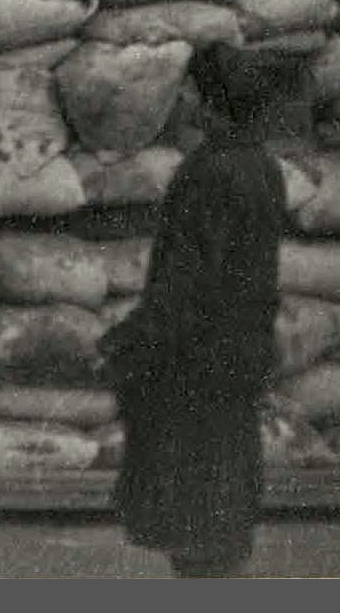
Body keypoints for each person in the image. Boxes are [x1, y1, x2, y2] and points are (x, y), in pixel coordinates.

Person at [101, 45, 286, 578]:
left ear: (208, 102)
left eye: (187, 88)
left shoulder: (206, 173)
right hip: (242, 351)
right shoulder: (263, 166)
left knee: (194, 514)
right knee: (224, 511)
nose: (179, 98)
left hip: (197, 360)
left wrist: (129, 342)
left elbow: (185, 283)